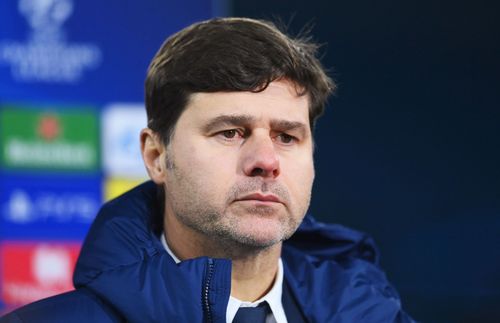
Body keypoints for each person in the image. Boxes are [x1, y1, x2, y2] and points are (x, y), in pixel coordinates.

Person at [1, 17, 415, 322]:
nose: (266, 161)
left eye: (287, 137)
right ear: (156, 155)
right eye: (231, 132)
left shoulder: (376, 314)